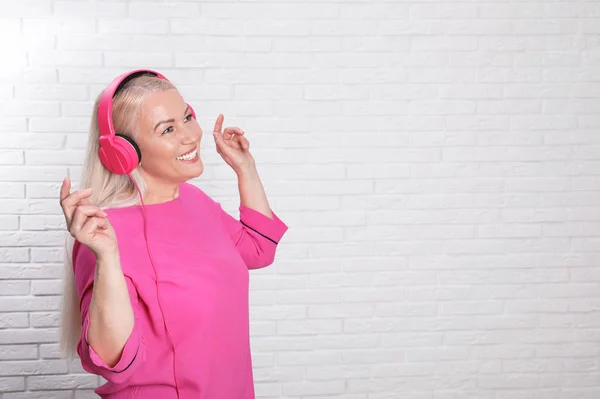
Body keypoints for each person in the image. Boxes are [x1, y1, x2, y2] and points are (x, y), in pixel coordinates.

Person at [58, 69, 288, 398]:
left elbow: (258, 250)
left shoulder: (195, 201)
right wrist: (107, 257)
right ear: (124, 152)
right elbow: (111, 359)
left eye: (187, 117)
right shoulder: (103, 232)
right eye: (168, 128)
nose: (190, 136)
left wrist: (245, 168)